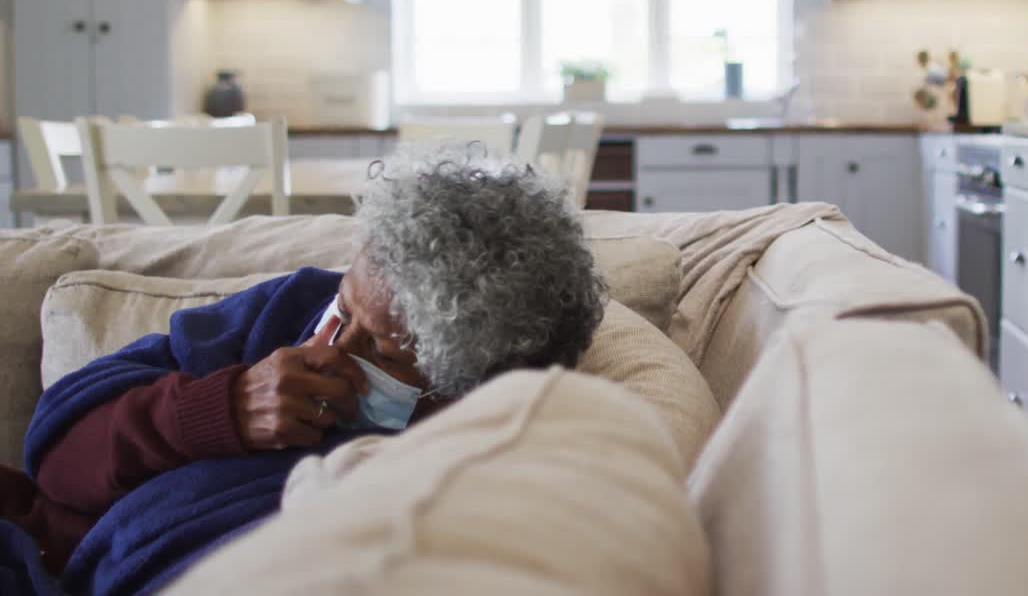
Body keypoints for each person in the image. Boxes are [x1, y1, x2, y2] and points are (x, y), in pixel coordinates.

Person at [0, 143, 606, 595]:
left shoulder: (440, 481)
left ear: (464, 390)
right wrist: (221, 407)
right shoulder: (288, 309)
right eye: (343, 308)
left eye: (385, 353)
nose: (329, 349)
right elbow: (55, 458)